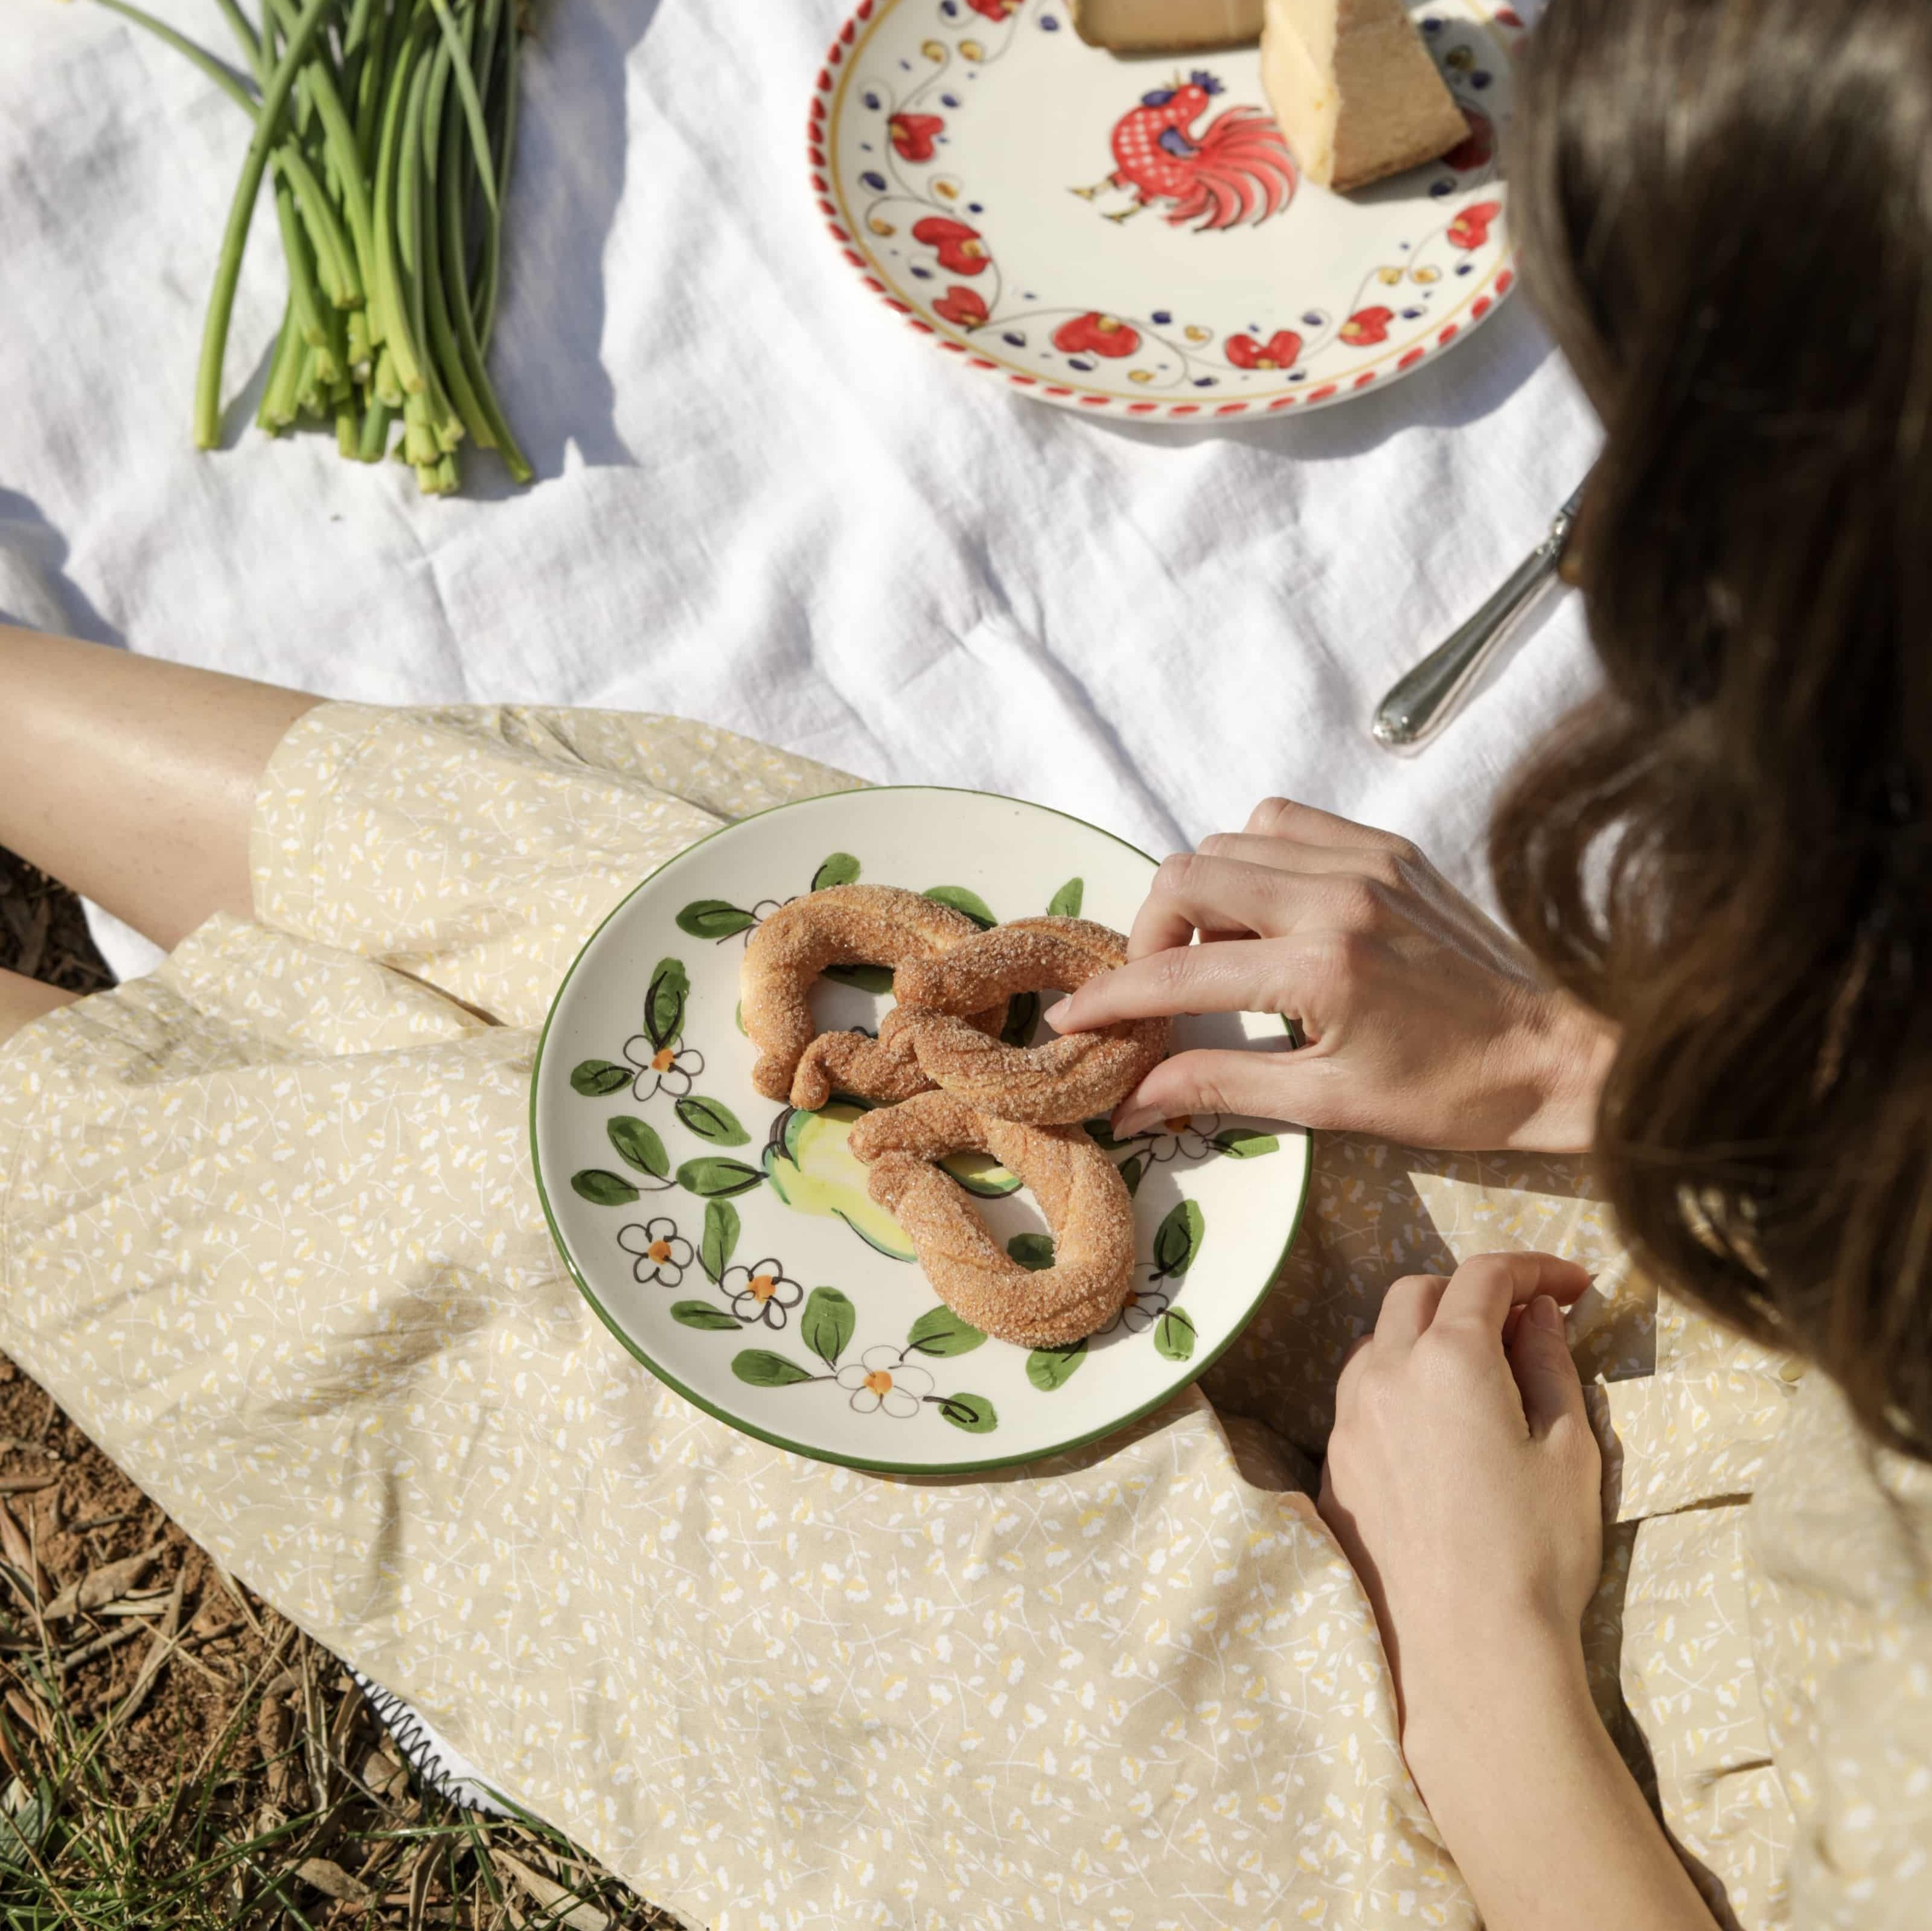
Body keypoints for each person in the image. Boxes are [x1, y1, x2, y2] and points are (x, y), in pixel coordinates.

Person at [1, 0, 1925, 1923]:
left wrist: (1486, 1644)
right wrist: (1555, 1059)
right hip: (1765, 1254)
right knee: (675, 948)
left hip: (1579, 1841)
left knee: (585, 1344)